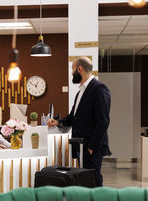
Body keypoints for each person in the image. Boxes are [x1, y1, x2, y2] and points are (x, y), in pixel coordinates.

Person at [47, 57, 111, 186]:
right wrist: (58, 122)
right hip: (81, 146)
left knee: (93, 179)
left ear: (79, 69)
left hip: (92, 146)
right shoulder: (80, 91)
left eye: (72, 69)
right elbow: (73, 116)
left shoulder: (99, 88)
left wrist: (91, 147)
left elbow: (103, 121)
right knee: (86, 180)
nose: (71, 73)